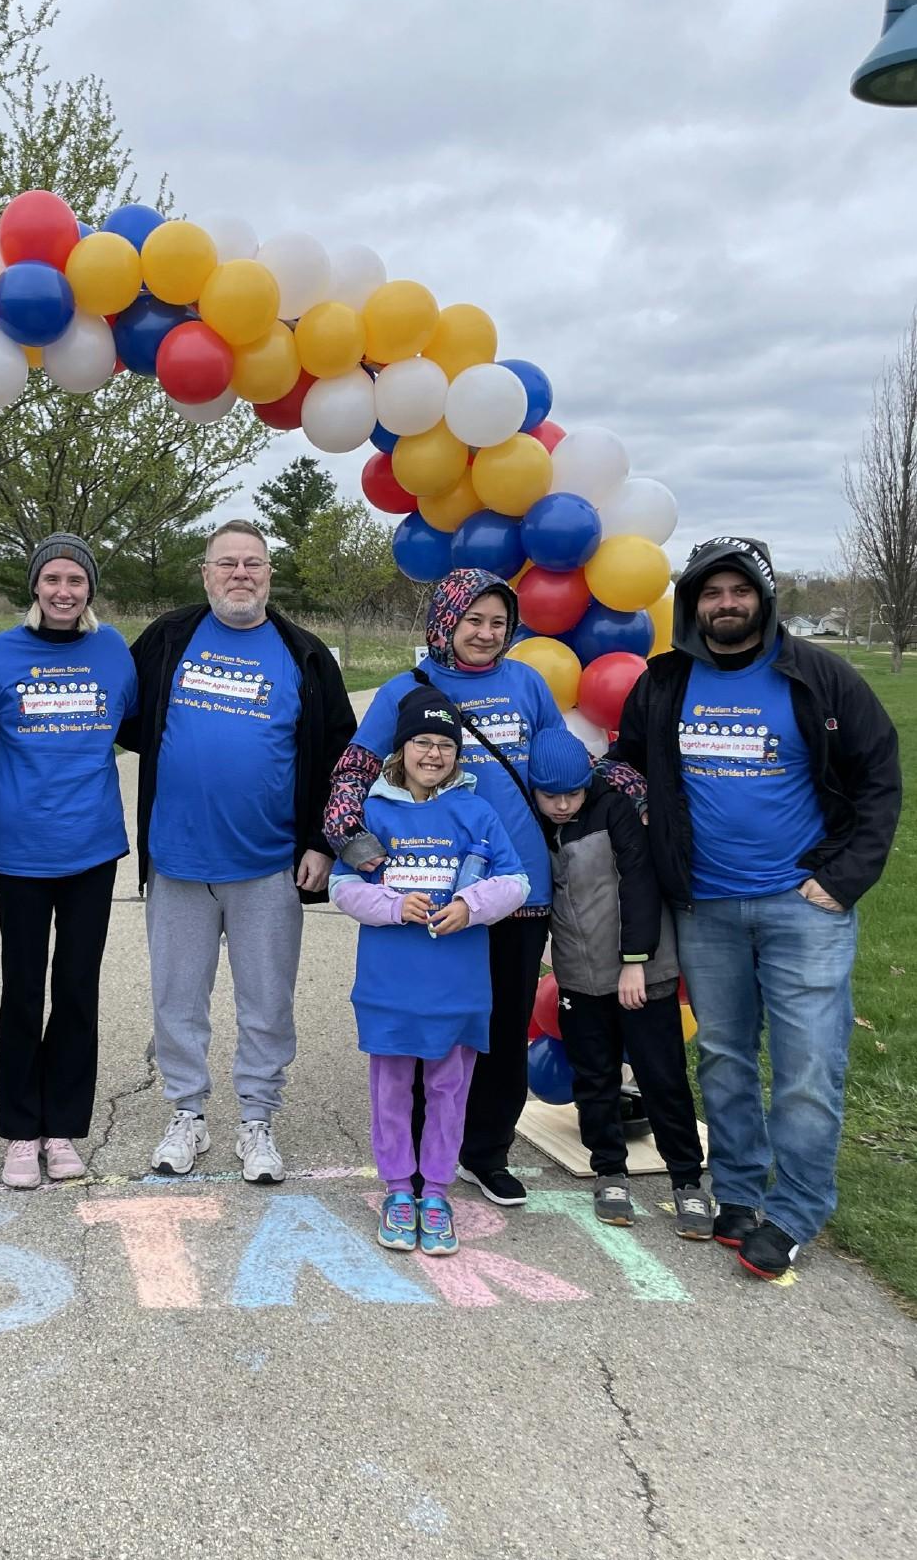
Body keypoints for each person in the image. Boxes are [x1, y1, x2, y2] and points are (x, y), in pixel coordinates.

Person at [612, 536, 901, 1280]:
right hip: (705, 905)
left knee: (808, 1065)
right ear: (692, 604)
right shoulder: (665, 681)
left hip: (803, 905)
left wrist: (844, 879)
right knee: (726, 1057)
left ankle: (798, 1208)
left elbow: (878, 778)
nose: (726, 604)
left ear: (765, 600)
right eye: (711, 593)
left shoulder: (819, 677)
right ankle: (738, 1192)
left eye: (740, 591)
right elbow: (630, 761)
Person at [121, 519, 355, 1184]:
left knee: (266, 1004)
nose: (240, 575)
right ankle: (186, 1115)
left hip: (270, 866)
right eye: (227, 564)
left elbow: (341, 758)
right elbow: (121, 714)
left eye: (253, 563)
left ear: (269, 575)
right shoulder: (169, 637)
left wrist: (323, 843)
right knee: (177, 1001)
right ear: (205, 573)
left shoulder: (305, 655)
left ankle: (257, 1119)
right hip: (178, 861)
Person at [324, 567, 563, 1206]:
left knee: (504, 1027)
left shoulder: (526, 682)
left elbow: (562, 764)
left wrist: (622, 791)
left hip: (516, 889)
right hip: (424, 894)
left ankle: (486, 1151)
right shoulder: (405, 691)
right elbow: (352, 773)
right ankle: (428, 1158)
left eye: (498, 623)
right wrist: (357, 846)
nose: (485, 634)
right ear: (446, 618)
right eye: (473, 619)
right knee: (431, 1028)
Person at [0, 534, 137, 1188]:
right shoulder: (0, 655)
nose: (64, 591)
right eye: (52, 579)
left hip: (93, 851)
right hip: (22, 856)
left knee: (77, 992)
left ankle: (63, 1131)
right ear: (35, 585)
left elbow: (143, 728)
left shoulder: (112, 651)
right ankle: (20, 1133)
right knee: (24, 994)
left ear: (89, 589)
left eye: (76, 581)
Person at [330, 686, 528, 1256]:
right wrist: (393, 905)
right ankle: (397, 1188)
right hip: (389, 987)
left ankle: (436, 1191)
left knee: (448, 1089)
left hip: (458, 989)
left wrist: (470, 907)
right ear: (402, 749)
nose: (433, 754)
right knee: (391, 1089)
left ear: (457, 754)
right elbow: (343, 887)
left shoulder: (477, 811)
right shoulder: (371, 811)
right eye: (422, 741)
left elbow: (516, 882)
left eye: (445, 745)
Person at [528, 726, 713, 1239]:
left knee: (662, 1077)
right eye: (550, 796)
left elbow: (639, 883)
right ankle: (609, 1170)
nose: (562, 805)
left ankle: (687, 1180)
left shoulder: (616, 812)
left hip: (640, 974)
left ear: (588, 782)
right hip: (579, 976)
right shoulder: (536, 825)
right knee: (594, 1076)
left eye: (572, 793)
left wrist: (636, 960)